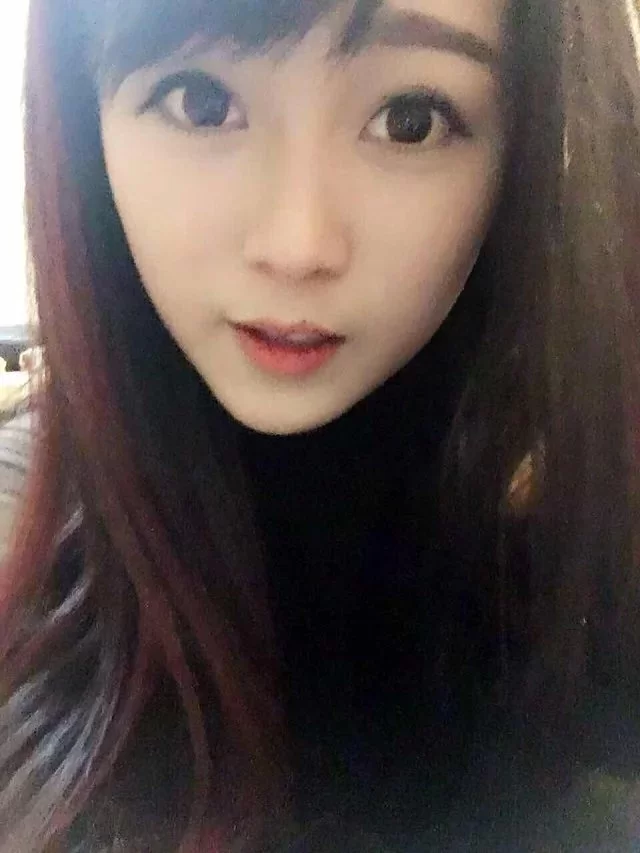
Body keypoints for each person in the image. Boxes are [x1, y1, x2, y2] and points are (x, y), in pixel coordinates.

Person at [1, 0, 640, 850]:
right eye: (201, 102)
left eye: (409, 119)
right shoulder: (28, 549)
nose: (298, 244)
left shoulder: (587, 618)